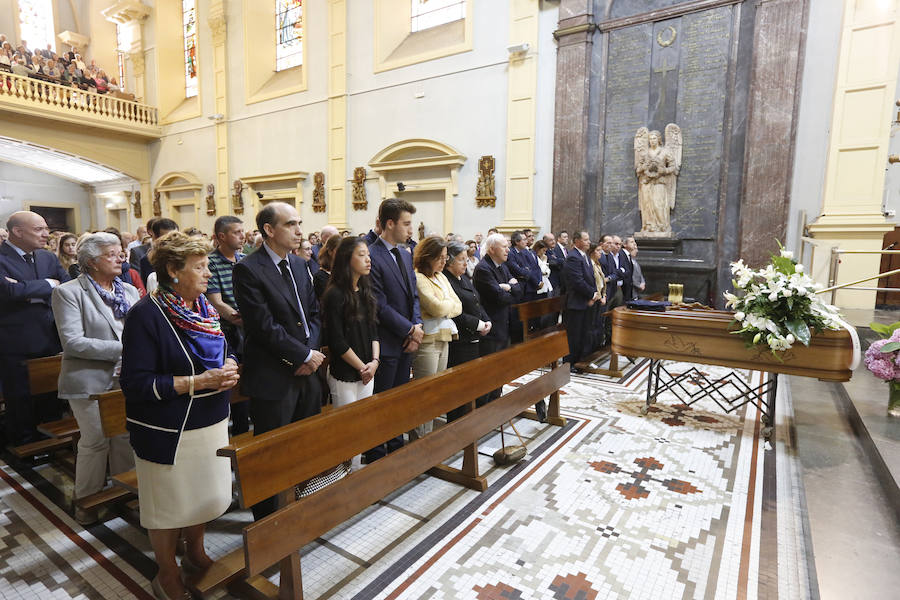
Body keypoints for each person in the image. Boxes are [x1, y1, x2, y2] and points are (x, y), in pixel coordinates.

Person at [120, 231, 238, 600]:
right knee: (169, 504)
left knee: (202, 493)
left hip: (211, 420)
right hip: (168, 429)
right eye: (199, 267)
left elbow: (226, 346)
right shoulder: (146, 315)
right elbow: (136, 383)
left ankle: (196, 551)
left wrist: (231, 364)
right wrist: (197, 382)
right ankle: (166, 571)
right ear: (173, 270)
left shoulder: (202, 308)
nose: (208, 275)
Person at [233, 202, 323, 520]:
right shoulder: (248, 269)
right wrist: (301, 355)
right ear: (269, 230)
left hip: (307, 373)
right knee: (272, 454)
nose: (299, 230)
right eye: (291, 224)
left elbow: (312, 314)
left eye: (300, 223)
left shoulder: (299, 266)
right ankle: (269, 521)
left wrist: (309, 354)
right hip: (273, 376)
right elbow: (263, 326)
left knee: (304, 446)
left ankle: (300, 507)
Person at [51, 233, 139, 525]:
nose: (121, 257)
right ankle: (86, 503)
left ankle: (124, 492)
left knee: (124, 437)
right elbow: (73, 342)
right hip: (88, 380)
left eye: (121, 252)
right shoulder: (69, 292)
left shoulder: (127, 290)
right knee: (95, 441)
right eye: (112, 254)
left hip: (125, 378)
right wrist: (126, 348)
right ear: (91, 262)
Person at [0, 211, 69, 447]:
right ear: (18, 232)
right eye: (39, 229)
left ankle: (51, 444)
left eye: (46, 229)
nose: (46, 234)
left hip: (49, 339)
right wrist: (48, 284)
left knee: (50, 397)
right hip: (16, 344)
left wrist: (26, 289)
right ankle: (25, 446)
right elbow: (8, 293)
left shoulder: (47, 258)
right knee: (20, 401)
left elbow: (67, 287)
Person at [365, 198, 423, 463]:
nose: (411, 230)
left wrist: (417, 326)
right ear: (390, 224)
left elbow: (413, 296)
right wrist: (410, 330)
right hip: (387, 341)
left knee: (400, 400)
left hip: (407, 339)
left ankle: (397, 449)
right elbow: (379, 304)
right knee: (383, 402)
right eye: (406, 224)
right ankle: (378, 455)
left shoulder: (404, 253)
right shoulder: (371, 255)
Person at [321, 237, 380, 470]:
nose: (368, 259)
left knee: (363, 427)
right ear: (347, 258)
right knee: (347, 431)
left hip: (368, 369)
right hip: (346, 372)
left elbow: (374, 331)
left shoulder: (365, 290)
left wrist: (374, 362)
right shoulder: (335, 294)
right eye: (362, 254)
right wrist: (361, 367)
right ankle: (344, 476)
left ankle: (356, 474)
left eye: (368, 255)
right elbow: (336, 340)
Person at [411, 236, 461, 438]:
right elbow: (437, 307)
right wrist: (445, 306)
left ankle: (429, 436)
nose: (443, 261)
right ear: (427, 256)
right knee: (425, 392)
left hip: (444, 338)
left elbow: (458, 305)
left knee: (437, 390)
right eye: (440, 257)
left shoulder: (440, 277)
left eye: (445, 257)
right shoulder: (418, 277)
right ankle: (419, 438)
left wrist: (444, 307)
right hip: (427, 342)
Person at [206, 215, 249, 435]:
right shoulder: (211, 262)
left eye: (243, 231)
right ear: (221, 236)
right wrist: (239, 318)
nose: (243, 236)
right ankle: (238, 433)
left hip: (248, 328)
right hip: (228, 332)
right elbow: (216, 301)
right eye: (237, 232)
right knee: (235, 385)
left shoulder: (244, 259)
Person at [443, 241, 491, 421]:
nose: (466, 263)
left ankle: (469, 420)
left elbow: (476, 300)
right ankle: (457, 423)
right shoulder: (446, 280)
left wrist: (486, 320)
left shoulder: (463, 277)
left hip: (474, 337)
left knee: (471, 384)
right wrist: (478, 325)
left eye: (465, 259)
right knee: (459, 387)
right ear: (449, 261)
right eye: (461, 259)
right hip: (460, 340)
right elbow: (454, 313)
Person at [473, 233, 522, 404]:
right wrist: (510, 287)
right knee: (488, 372)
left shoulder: (502, 266)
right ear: (492, 249)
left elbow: (518, 292)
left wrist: (508, 288)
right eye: (504, 246)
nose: (508, 250)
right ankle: (483, 409)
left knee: (500, 370)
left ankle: (495, 403)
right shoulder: (484, 268)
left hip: (504, 325)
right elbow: (500, 298)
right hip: (491, 328)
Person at [564, 231, 600, 370]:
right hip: (576, 303)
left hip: (585, 301)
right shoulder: (573, 257)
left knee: (584, 333)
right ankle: (570, 363)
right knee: (574, 336)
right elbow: (577, 281)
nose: (588, 242)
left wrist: (594, 294)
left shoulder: (584, 255)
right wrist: (592, 294)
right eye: (585, 239)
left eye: (588, 239)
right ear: (577, 241)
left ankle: (580, 361)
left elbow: (590, 278)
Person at [589, 243, 608, 350]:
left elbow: (602, 282)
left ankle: (596, 348)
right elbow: (594, 282)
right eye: (598, 251)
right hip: (594, 298)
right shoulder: (589, 264)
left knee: (598, 324)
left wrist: (604, 295)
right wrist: (599, 295)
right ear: (592, 252)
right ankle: (591, 350)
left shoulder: (597, 264)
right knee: (592, 326)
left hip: (600, 297)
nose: (600, 253)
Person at [313, 234, 341, 300]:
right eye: (339, 251)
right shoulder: (320, 276)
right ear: (330, 251)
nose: (343, 254)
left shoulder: (345, 271)